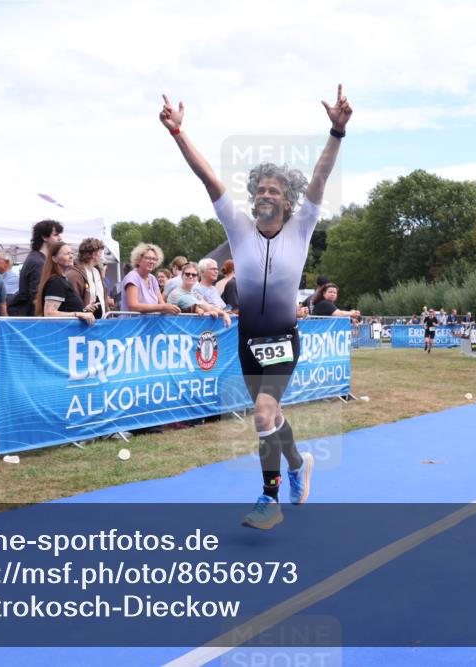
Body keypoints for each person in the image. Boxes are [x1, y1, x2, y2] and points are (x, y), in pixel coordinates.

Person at [161, 83, 350, 529]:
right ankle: (299, 463)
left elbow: (320, 179)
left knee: (263, 413)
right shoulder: (239, 228)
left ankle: (270, 498)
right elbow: (208, 178)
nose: (265, 193)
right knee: (271, 416)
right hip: (248, 340)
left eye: (274, 189)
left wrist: (336, 132)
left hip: (284, 337)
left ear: (287, 199)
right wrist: (178, 134)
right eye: (260, 188)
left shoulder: (301, 227)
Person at [8, 219, 63, 316]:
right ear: (44, 237)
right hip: (35, 319)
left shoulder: (38, 259)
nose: (60, 238)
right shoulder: (38, 262)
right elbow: (37, 297)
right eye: (56, 234)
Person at [34, 242, 95, 323]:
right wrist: (78, 314)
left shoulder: (62, 280)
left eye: (72, 253)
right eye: (67, 254)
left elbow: (65, 308)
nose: (71, 256)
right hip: (61, 333)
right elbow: (49, 314)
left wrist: (83, 310)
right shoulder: (55, 282)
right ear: (54, 259)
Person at [120, 243, 181, 315]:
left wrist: (171, 308)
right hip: (133, 324)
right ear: (138, 260)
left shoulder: (152, 279)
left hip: (150, 323)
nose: (152, 262)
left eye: (154, 259)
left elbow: (161, 303)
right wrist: (163, 307)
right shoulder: (132, 277)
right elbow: (133, 306)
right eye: (148, 258)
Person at [167, 262, 231, 326]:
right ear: (182, 276)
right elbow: (194, 308)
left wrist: (224, 314)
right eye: (187, 274)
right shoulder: (176, 293)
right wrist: (205, 312)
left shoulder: (195, 294)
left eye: (194, 275)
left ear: (197, 278)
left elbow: (209, 307)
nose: (190, 276)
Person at [65, 238, 113, 319]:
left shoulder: (96, 271)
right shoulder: (74, 274)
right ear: (94, 254)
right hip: (82, 324)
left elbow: (101, 297)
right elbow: (72, 304)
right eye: (100, 253)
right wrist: (83, 312)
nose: (101, 257)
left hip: (100, 323)